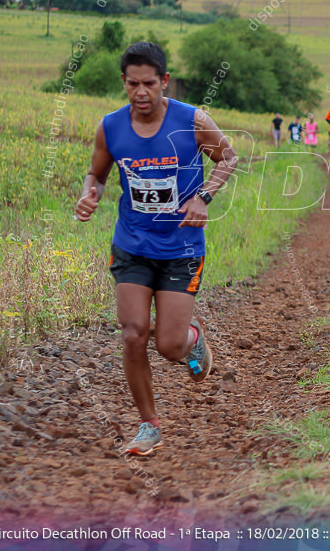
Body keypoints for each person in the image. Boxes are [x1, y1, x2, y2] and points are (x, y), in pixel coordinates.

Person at [74, 41, 238, 456]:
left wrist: (204, 196)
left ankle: (192, 339)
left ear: (164, 81)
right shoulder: (110, 127)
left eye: (149, 83)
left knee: (167, 346)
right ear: (124, 83)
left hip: (182, 247)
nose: (141, 92)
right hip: (132, 244)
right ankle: (149, 425)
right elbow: (96, 174)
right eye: (132, 84)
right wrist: (89, 195)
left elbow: (228, 158)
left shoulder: (192, 121)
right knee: (132, 334)